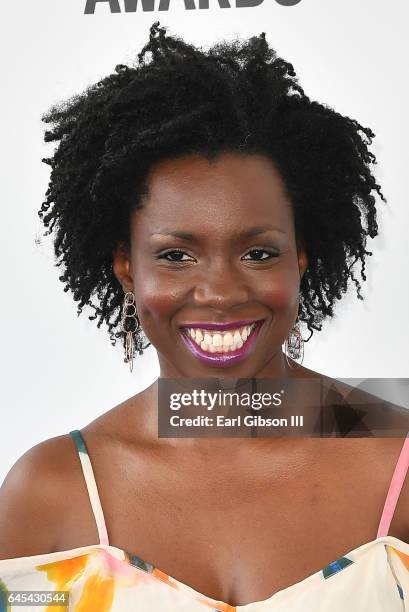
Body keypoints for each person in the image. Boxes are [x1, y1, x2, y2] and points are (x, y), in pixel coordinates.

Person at [0, 21, 408, 611]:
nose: (219, 291)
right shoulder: (51, 492)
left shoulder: (400, 463)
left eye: (258, 252)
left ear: (301, 258)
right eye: (175, 255)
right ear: (125, 267)